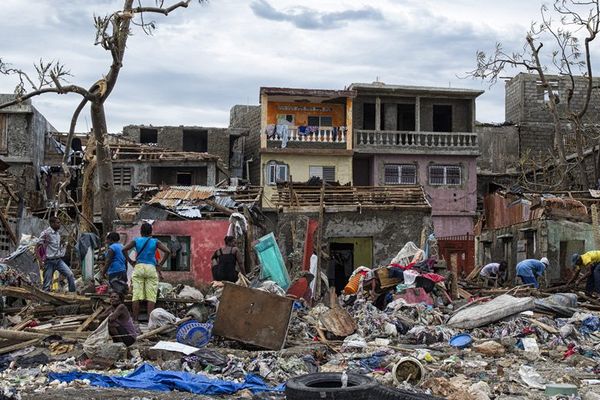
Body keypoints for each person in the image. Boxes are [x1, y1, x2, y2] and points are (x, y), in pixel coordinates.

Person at [122, 222, 170, 321]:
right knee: (151, 296)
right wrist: (160, 264)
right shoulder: (155, 241)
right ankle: (150, 320)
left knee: (136, 295)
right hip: (151, 268)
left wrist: (131, 261)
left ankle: (135, 320)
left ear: (141, 231)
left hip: (139, 267)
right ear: (151, 232)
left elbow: (124, 249)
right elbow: (167, 251)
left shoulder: (136, 240)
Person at [36, 216, 76, 292]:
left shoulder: (57, 234)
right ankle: (44, 300)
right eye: (58, 223)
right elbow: (36, 248)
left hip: (58, 261)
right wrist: (40, 261)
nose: (59, 224)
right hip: (49, 262)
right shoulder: (46, 233)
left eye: (59, 223)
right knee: (47, 283)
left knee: (70, 275)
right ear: (52, 223)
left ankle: (72, 294)